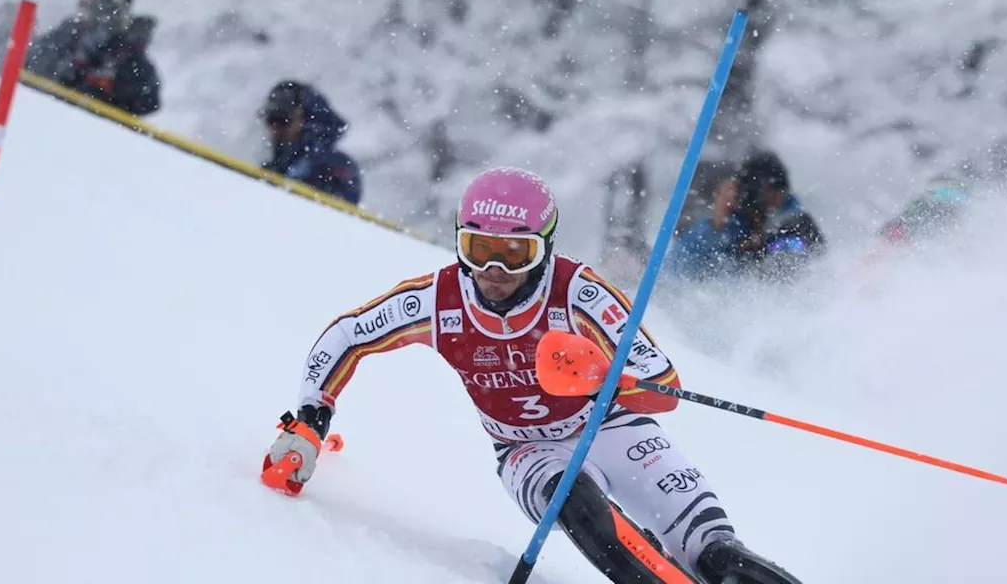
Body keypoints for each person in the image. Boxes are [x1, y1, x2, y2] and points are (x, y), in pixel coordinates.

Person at [262, 167, 802, 584]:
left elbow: (662, 384)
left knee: (720, 558)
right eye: (478, 249)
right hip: (527, 451)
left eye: (514, 253)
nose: (493, 272)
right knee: (577, 503)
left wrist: (603, 376)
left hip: (614, 431)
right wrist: (311, 416)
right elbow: (348, 335)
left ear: (545, 247)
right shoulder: (439, 299)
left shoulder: (578, 291)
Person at [23, 0, 161, 116]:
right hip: (50, 113)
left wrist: (110, 86)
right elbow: (30, 61)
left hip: (96, 127)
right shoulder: (70, 32)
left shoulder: (128, 50)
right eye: (100, 3)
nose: (104, 14)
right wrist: (68, 67)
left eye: (112, 8)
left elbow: (149, 100)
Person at [259, 80, 363, 205]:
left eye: (283, 120)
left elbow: (343, 209)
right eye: (271, 120)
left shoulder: (338, 167)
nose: (275, 128)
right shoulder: (272, 163)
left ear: (306, 121)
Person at [734, 151, 824, 278]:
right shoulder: (737, 224)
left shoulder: (799, 223)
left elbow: (811, 262)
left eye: (767, 190)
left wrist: (762, 245)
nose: (766, 198)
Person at [668, 173, 750, 280]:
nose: (728, 201)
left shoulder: (740, 231)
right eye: (726, 194)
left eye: (733, 197)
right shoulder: (698, 230)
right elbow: (675, 262)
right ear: (716, 194)